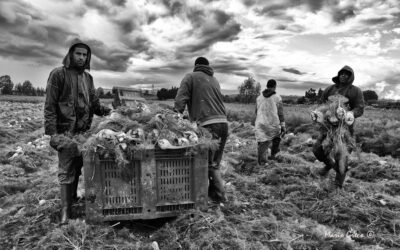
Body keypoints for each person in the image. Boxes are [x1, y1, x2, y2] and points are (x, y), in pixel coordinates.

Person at [44, 40, 111, 224]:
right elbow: (49, 106)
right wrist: (53, 134)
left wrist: (111, 112)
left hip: (84, 133)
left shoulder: (88, 78)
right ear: (70, 55)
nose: (81, 57)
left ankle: (73, 200)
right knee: (66, 170)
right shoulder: (58, 74)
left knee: (79, 167)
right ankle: (65, 211)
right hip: (65, 133)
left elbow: (95, 105)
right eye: (78, 54)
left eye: (85, 55)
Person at [174, 57, 228, 204]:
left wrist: (174, 117)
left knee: (206, 164)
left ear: (196, 66)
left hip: (208, 125)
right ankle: (214, 197)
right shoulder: (214, 79)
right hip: (223, 123)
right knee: (214, 164)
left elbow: (180, 100)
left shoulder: (190, 77)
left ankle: (218, 199)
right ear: (207, 66)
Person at [311, 65, 364, 188]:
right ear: (338, 74)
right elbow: (321, 103)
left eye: (347, 74)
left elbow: (360, 108)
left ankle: (338, 184)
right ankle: (329, 164)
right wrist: (317, 112)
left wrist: (349, 113)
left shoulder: (355, 91)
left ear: (351, 77)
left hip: (344, 128)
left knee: (341, 156)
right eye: (342, 73)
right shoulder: (330, 89)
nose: (343, 75)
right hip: (327, 127)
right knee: (317, 150)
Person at [255, 79, 286, 165]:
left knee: (262, 141)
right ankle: (273, 156)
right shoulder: (277, 97)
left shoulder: (259, 98)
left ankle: (261, 160)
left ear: (267, 86)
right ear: (275, 86)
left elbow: (256, 112)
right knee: (276, 138)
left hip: (260, 124)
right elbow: (280, 113)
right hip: (273, 124)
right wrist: (283, 126)